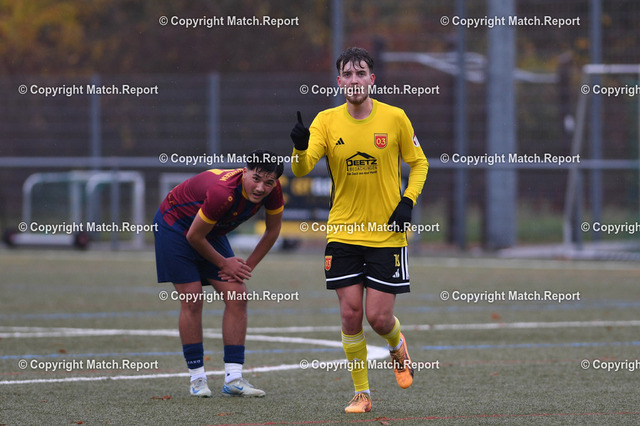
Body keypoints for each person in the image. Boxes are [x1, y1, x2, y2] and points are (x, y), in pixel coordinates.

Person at [290, 47, 428, 413]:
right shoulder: (325, 121)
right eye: (347, 75)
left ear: (372, 79)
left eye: (360, 73)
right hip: (343, 233)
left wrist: (408, 201)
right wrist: (299, 148)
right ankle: (362, 394)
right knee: (350, 314)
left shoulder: (395, 117)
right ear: (339, 82)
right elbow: (302, 168)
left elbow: (420, 164)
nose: (354, 80)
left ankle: (397, 346)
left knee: (378, 318)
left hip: (386, 235)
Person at [153, 149, 284, 398]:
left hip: (208, 231)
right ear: (245, 172)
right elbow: (193, 236)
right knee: (192, 298)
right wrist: (225, 263)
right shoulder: (223, 192)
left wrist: (246, 267)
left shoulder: (274, 190)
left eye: (268, 182)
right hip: (175, 225)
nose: (261, 188)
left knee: (237, 296)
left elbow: (272, 231)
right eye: (256, 178)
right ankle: (197, 378)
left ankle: (234, 379)